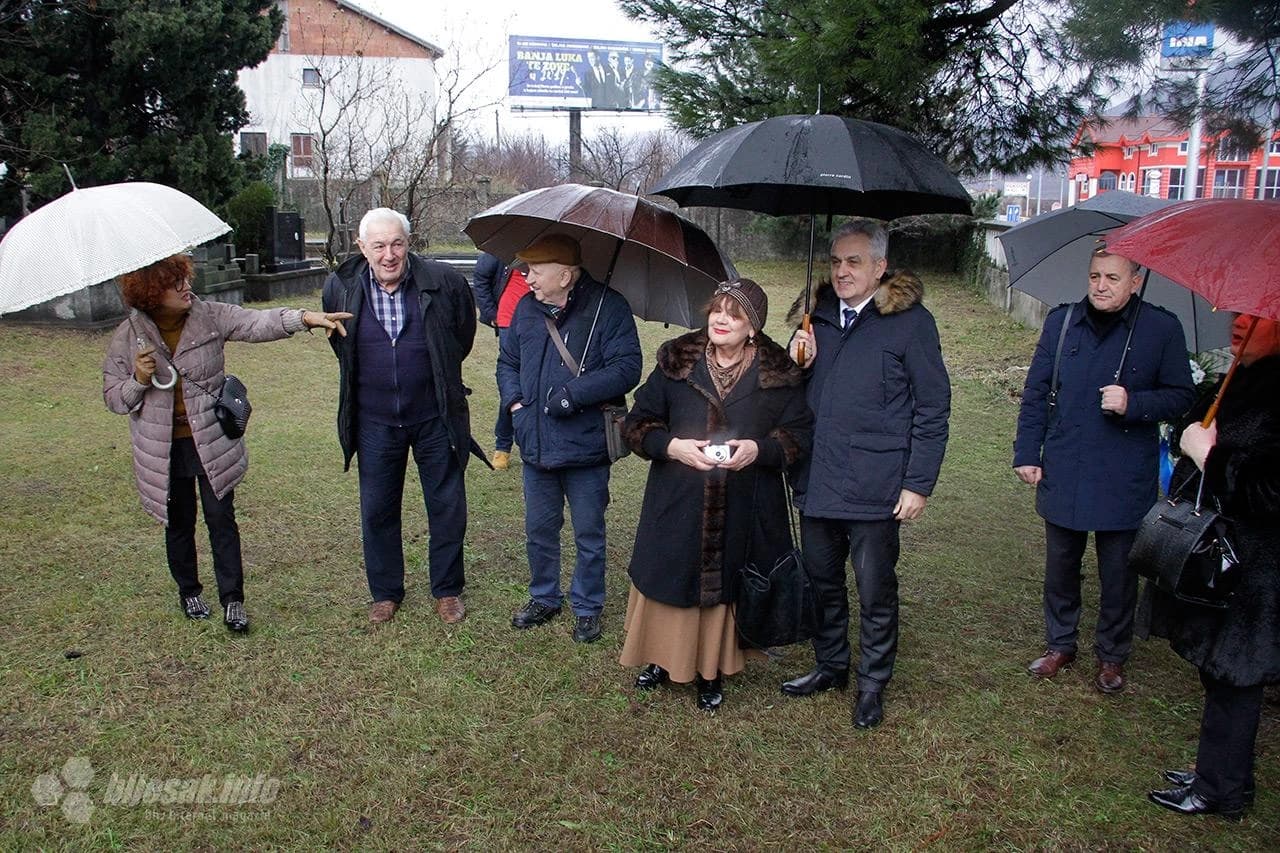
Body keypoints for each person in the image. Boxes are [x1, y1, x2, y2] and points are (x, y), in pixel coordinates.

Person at [103, 254, 350, 633]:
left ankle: (233, 599)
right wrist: (138, 378)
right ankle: (189, 591)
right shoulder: (128, 337)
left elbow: (255, 322)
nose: (187, 288)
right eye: (174, 284)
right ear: (152, 293)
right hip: (164, 450)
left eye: (184, 279)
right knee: (179, 523)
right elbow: (115, 400)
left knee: (222, 520)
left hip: (211, 442)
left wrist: (304, 319)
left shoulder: (208, 315)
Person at [784, 219, 951, 730]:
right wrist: (796, 360)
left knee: (875, 587)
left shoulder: (910, 323)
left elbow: (933, 408)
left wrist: (918, 483)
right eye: (835, 261)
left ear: (880, 267)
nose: (841, 271)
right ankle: (831, 665)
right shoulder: (814, 318)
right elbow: (786, 394)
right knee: (821, 580)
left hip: (876, 483)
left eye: (854, 262)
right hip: (817, 475)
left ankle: (872, 683)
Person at [619, 279, 812, 710]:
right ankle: (659, 658)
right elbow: (637, 423)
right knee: (668, 578)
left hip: (744, 502)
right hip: (678, 498)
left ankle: (709, 671)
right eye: (717, 310)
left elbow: (799, 435)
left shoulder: (778, 373)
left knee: (722, 585)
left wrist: (758, 450)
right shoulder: (676, 361)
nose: (722, 320)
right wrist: (672, 446)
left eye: (735, 314)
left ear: (753, 328)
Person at [1014, 249, 1194, 693]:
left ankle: (1112, 655)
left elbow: (1181, 397)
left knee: (1118, 571)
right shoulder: (1062, 323)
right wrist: (1027, 452)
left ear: (1137, 280)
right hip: (1066, 461)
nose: (1100, 285)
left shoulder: (1161, 328)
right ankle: (1060, 643)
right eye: (1094, 275)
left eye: (1113, 277)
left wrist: (1135, 403)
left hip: (1123, 472)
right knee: (1061, 564)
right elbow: (1037, 391)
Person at [1143, 314, 1280, 820]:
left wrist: (1212, 457)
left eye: (1260, 315)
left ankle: (1219, 791)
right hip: (1225, 557)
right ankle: (1221, 776)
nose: (1240, 322)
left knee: (1236, 676)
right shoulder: (1244, 374)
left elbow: (1269, 490)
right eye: (1239, 310)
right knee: (1220, 674)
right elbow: (1191, 424)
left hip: (1257, 570)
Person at [321, 208, 479, 625]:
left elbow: (460, 337)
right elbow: (343, 348)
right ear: (362, 248)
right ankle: (385, 592)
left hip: (434, 416)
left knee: (446, 504)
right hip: (375, 421)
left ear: (409, 243)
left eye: (397, 243)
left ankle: (447, 590)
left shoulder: (444, 281)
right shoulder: (339, 286)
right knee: (377, 509)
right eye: (378, 246)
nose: (389, 254)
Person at [496, 233, 641, 644]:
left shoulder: (608, 308)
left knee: (588, 533)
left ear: (565, 274)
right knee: (539, 529)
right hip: (537, 443)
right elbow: (507, 361)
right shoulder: (526, 309)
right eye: (526, 271)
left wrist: (574, 394)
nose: (528, 279)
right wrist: (515, 408)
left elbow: (627, 367)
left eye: (535, 272)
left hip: (586, 446)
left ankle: (587, 606)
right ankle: (544, 596)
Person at [471, 251, 529, 470]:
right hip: (508, 320)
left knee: (534, 384)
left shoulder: (550, 239)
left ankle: (529, 443)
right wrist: (491, 313)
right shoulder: (505, 243)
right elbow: (481, 277)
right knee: (513, 384)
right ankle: (502, 445)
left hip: (543, 319)